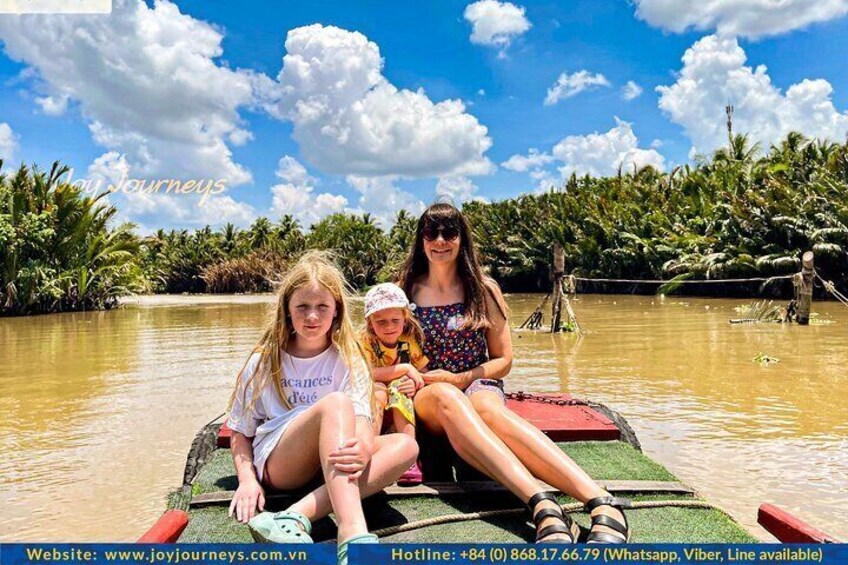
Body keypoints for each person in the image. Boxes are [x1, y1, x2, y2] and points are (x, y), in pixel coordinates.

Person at [398, 202, 630, 544]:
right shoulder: (403, 290)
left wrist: (462, 378)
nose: (440, 240)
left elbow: (503, 359)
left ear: (462, 239)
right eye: (431, 232)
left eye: (450, 232)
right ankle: (542, 504)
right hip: (430, 390)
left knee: (486, 408)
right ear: (421, 240)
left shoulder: (482, 289)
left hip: (475, 382)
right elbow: (378, 347)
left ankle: (600, 501)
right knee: (448, 397)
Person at [226, 252, 418, 563]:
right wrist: (247, 479)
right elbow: (239, 432)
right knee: (335, 404)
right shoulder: (264, 360)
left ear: (336, 312)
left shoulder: (349, 357)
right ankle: (353, 532)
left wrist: (365, 448)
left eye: (322, 307)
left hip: (331, 461)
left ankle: (293, 516)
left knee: (406, 446)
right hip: (282, 463)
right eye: (302, 306)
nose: (312, 316)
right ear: (287, 310)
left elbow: (362, 418)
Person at [359, 283, 429, 485]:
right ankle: (368, 452)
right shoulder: (364, 340)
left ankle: (409, 458)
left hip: (398, 393)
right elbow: (366, 373)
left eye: (394, 320)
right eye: (380, 321)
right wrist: (405, 369)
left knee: (400, 389)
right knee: (378, 391)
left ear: (405, 318)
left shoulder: (409, 340)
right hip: (375, 388)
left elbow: (422, 372)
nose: (388, 327)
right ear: (370, 322)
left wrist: (414, 382)